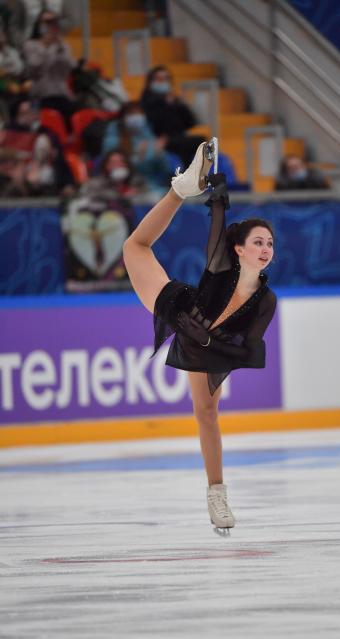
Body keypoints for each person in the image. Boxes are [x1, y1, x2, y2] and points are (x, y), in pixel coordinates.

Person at [123, 139, 277, 530]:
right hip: (183, 309)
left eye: (270, 244)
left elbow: (249, 344)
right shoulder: (224, 263)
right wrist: (216, 188)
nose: (265, 248)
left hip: (212, 343)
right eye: (258, 242)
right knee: (134, 247)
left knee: (206, 413)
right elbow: (218, 226)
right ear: (240, 250)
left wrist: (216, 343)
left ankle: (217, 494)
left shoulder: (265, 299)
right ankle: (180, 189)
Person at [140, 65, 205, 169]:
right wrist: (165, 105)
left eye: (166, 79)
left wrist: (176, 105)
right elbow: (155, 123)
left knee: (202, 142)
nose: (164, 82)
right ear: (151, 81)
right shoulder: (146, 102)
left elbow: (190, 122)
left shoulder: (175, 101)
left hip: (176, 138)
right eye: (160, 79)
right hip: (156, 139)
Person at [102, 101, 172, 194]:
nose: (137, 117)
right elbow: (115, 170)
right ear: (123, 118)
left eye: (139, 113)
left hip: (152, 187)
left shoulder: (148, 136)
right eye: (132, 114)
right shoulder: (112, 141)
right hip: (125, 188)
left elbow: (166, 171)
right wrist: (139, 157)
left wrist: (159, 154)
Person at [23, 9, 76, 128]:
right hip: (42, 94)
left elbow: (70, 67)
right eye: (47, 22)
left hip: (62, 93)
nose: (51, 25)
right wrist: (46, 46)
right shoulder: (31, 45)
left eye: (54, 21)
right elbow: (34, 69)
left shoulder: (62, 45)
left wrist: (60, 48)